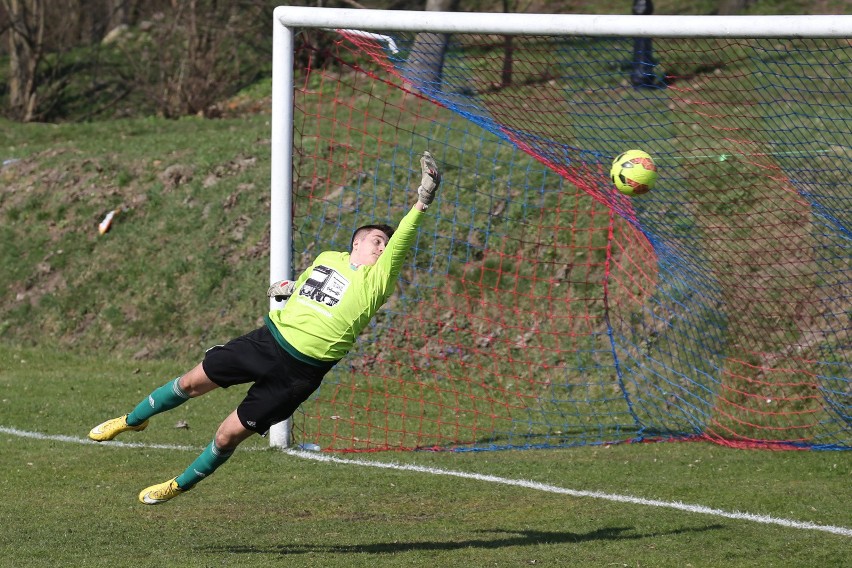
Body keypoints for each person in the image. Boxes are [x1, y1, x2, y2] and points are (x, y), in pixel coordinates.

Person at [88, 151, 441, 505]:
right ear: (357, 242)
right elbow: (309, 285)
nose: (383, 246)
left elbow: (405, 235)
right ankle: (132, 419)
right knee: (189, 383)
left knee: (227, 436)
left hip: (300, 371)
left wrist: (422, 201)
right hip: (266, 342)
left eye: (387, 244)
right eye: (377, 240)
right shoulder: (326, 259)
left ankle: (180, 484)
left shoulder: (379, 278)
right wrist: (292, 288)